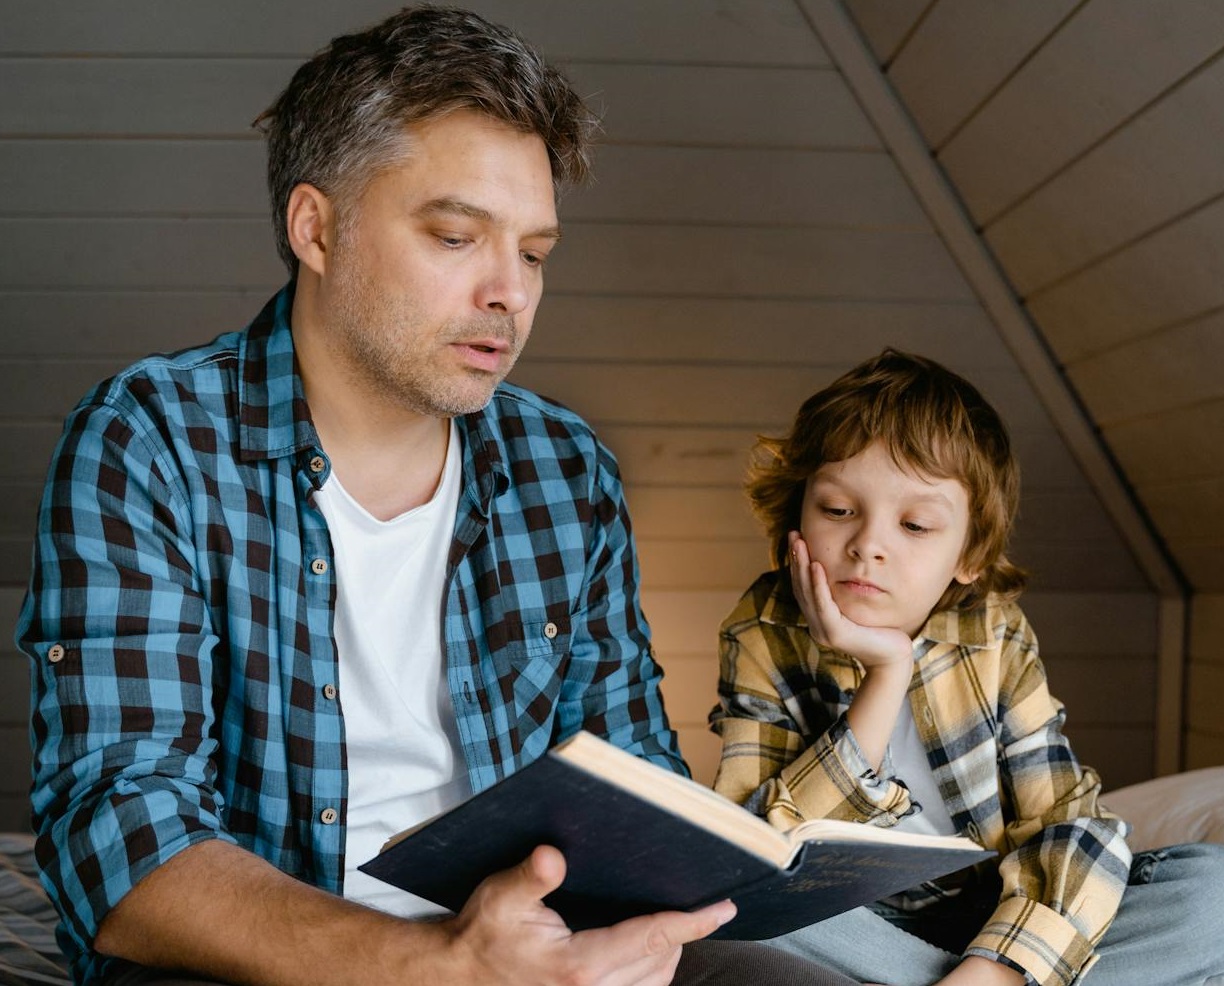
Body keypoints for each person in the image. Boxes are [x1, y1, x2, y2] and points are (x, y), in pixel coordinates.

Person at [16, 7, 866, 986]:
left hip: (532, 937)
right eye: (458, 235)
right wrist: (438, 963)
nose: (510, 290)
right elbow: (118, 834)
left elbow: (634, 774)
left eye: (535, 251)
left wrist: (668, 906)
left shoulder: (566, 464)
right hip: (257, 955)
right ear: (316, 228)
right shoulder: (151, 437)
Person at [708, 349, 1224, 986]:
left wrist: (999, 964)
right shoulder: (763, 629)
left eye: (915, 524)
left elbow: (1064, 822)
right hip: (849, 918)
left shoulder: (994, 633)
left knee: (1222, 894)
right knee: (723, 906)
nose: (868, 545)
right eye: (837, 511)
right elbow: (755, 847)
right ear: (795, 523)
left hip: (996, 909)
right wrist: (886, 674)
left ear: (968, 555)